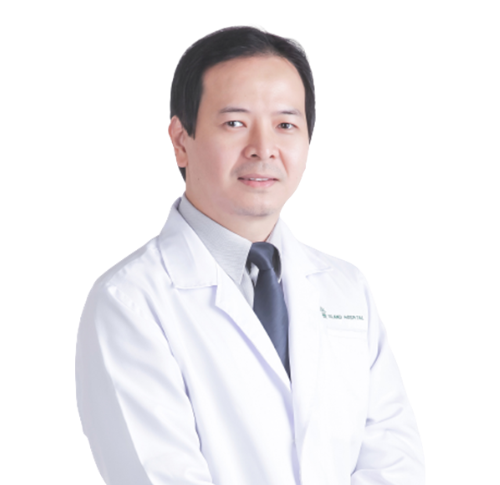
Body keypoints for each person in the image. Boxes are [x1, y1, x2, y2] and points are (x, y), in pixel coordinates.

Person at [75, 24, 425, 484]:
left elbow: (395, 461)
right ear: (181, 140)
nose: (263, 150)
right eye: (235, 123)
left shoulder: (345, 286)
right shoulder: (129, 302)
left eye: (285, 125)